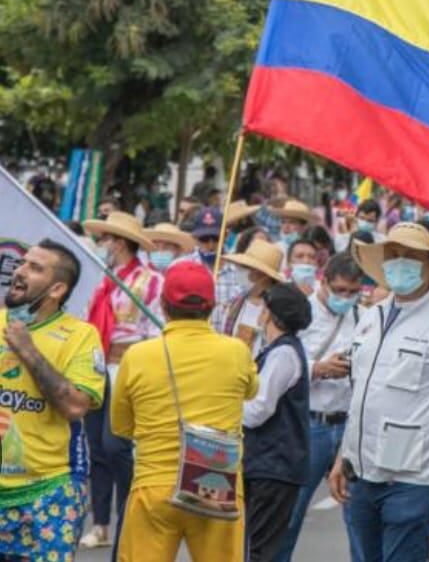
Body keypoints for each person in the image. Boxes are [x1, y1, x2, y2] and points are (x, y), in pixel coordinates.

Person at [329, 223, 429, 562]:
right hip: (363, 471)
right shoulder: (371, 318)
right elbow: (362, 396)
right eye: (393, 255)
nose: (399, 263)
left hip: (417, 476)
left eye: (410, 257)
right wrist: (343, 457)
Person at [111, 261, 258, 561]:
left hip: (154, 486)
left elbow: (122, 427)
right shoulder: (236, 351)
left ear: (163, 305)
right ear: (212, 305)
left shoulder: (137, 356)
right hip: (217, 485)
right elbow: (251, 391)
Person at [0, 239, 106, 562]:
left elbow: (75, 406)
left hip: (50, 491)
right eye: (23, 263)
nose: (19, 271)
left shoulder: (80, 336)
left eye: (35, 267)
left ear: (57, 288)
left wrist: (27, 350)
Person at [82, 211, 163, 550]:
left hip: (129, 367)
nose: (104, 246)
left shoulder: (150, 280)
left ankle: (128, 514)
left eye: (108, 239)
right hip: (98, 366)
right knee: (97, 449)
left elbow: (155, 328)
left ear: (120, 242)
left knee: (117, 446)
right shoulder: (102, 277)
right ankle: (100, 523)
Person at [276, 253, 365, 562]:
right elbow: (278, 363)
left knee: (359, 518)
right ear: (324, 282)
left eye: (353, 292)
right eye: (340, 290)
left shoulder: (362, 316)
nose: (346, 297)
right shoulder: (302, 313)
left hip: (349, 426)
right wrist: (318, 368)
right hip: (308, 425)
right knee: (288, 516)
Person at [243, 283, 312, 562]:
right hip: (266, 463)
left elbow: (260, 408)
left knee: (261, 549)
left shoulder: (284, 354)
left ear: (271, 314)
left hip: (275, 465)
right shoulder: (274, 350)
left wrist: (226, 409)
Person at [176, 206, 240, 331]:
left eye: (216, 239)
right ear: (195, 238)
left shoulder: (238, 269)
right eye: (204, 239)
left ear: (226, 236)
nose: (211, 245)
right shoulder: (181, 267)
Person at [220, 239, 285, 352]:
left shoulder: (278, 311)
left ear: (262, 275)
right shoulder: (234, 304)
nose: (240, 271)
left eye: (246, 267)